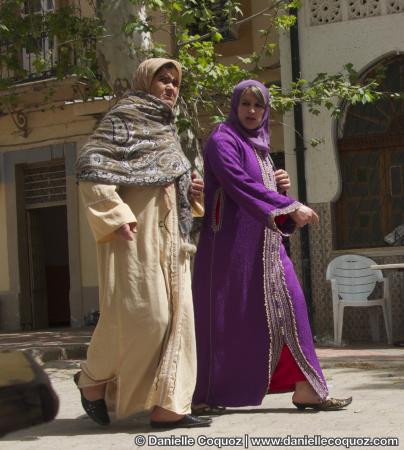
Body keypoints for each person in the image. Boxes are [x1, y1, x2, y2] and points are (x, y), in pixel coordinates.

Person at [192, 79, 352, 413]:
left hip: (267, 247)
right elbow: (239, 185)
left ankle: (308, 387)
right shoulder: (223, 140)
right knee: (225, 320)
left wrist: (281, 190)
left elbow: (259, 191)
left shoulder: (259, 147)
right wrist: (290, 206)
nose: (251, 111)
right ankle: (206, 394)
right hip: (229, 250)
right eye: (245, 104)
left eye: (258, 106)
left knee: (292, 306)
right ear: (235, 106)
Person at [75, 58, 210, 429]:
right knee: (143, 318)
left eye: (174, 82)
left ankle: (170, 406)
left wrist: (192, 192)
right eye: (162, 80)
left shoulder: (167, 129)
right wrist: (114, 214)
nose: (170, 87)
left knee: (178, 320)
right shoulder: (123, 118)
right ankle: (92, 378)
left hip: (173, 240)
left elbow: (171, 183)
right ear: (144, 82)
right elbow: (91, 168)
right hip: (135, 233)